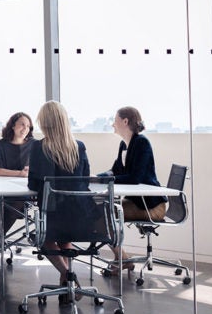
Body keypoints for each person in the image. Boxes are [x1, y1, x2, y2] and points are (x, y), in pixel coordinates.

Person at [27, 101, 91, 301]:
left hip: (52, 212)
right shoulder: (78, 146)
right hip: (80, 214)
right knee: (65, 236)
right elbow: (86, 178)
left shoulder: (39, 147)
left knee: (45, 238)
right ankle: (68, 283)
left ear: (45, 123)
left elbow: (34, 183)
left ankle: (67, 274)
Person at [101, 106, 168, 273]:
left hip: (151, 206)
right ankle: (122, 258)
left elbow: (135, 178)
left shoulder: (141, 143)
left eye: (114, 120)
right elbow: (115, 170)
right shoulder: (124, 145)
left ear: (125, 121)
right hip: (138, 203)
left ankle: (122, 259)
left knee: (103, 214)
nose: (112, 124)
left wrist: (107, 179)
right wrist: (95, 177)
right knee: (101, 211)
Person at [0, 112, 36, 257]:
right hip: (0, 188)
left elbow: (37, 168)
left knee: (16, 205)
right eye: (22, 125)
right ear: (13, 126)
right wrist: (20, 173)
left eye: (28, 126)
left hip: (23, 190)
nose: (25, 128)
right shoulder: (2, 144)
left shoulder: (34, 144)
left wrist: (30, 171)